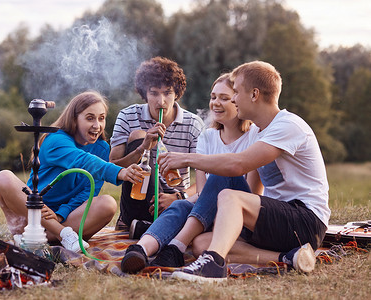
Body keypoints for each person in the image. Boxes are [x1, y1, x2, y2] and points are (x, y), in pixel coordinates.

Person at [157, 61, 330, 283]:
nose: (235, 99)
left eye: (236, 92)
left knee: (230, 195)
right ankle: (288, 258)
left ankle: (213, 267)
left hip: (305, 220)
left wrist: (187, 159)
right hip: (277, 220)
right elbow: (230, 165)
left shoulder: (288, 126)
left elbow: (238, 165)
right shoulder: (259, 129)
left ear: (254, 94)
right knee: (201, 244)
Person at [120, 73, 262, 273]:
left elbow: (255, 196)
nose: (215, 103)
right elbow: (203, 195)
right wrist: (180, 199)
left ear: (238, 99)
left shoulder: (255, 136)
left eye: (224, 97)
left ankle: (175, 246)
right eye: (213, 97)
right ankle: (141, 249)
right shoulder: (207, 137)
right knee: (181, 205)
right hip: (208, 213)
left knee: (223, 170)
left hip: (239, 215)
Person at [0, 91, 144, 252]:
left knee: (107, 203)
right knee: (3, 177)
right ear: (74, 119)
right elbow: (81, 160)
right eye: (89, 118)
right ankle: (61, 234)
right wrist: (120, 172)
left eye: (101, 118)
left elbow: (88, 192)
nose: (97, 125)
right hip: (31, 214)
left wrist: (60, 214)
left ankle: (34, 239)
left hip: (65, 218)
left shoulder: (102, 149)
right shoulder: (56, 140)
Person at [109, 56, 204, 233]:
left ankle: (147, 228)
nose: (161, 101)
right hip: (137, 201)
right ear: (144, 94)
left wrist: (177, 197)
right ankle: (152, 227)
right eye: (154, 93)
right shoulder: (128, 116)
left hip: (176, 203)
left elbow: (204, 177)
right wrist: (142, 147)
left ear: (177, 94)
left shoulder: (193, 124)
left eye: (167, 93)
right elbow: (112, 167)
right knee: (138, 134)